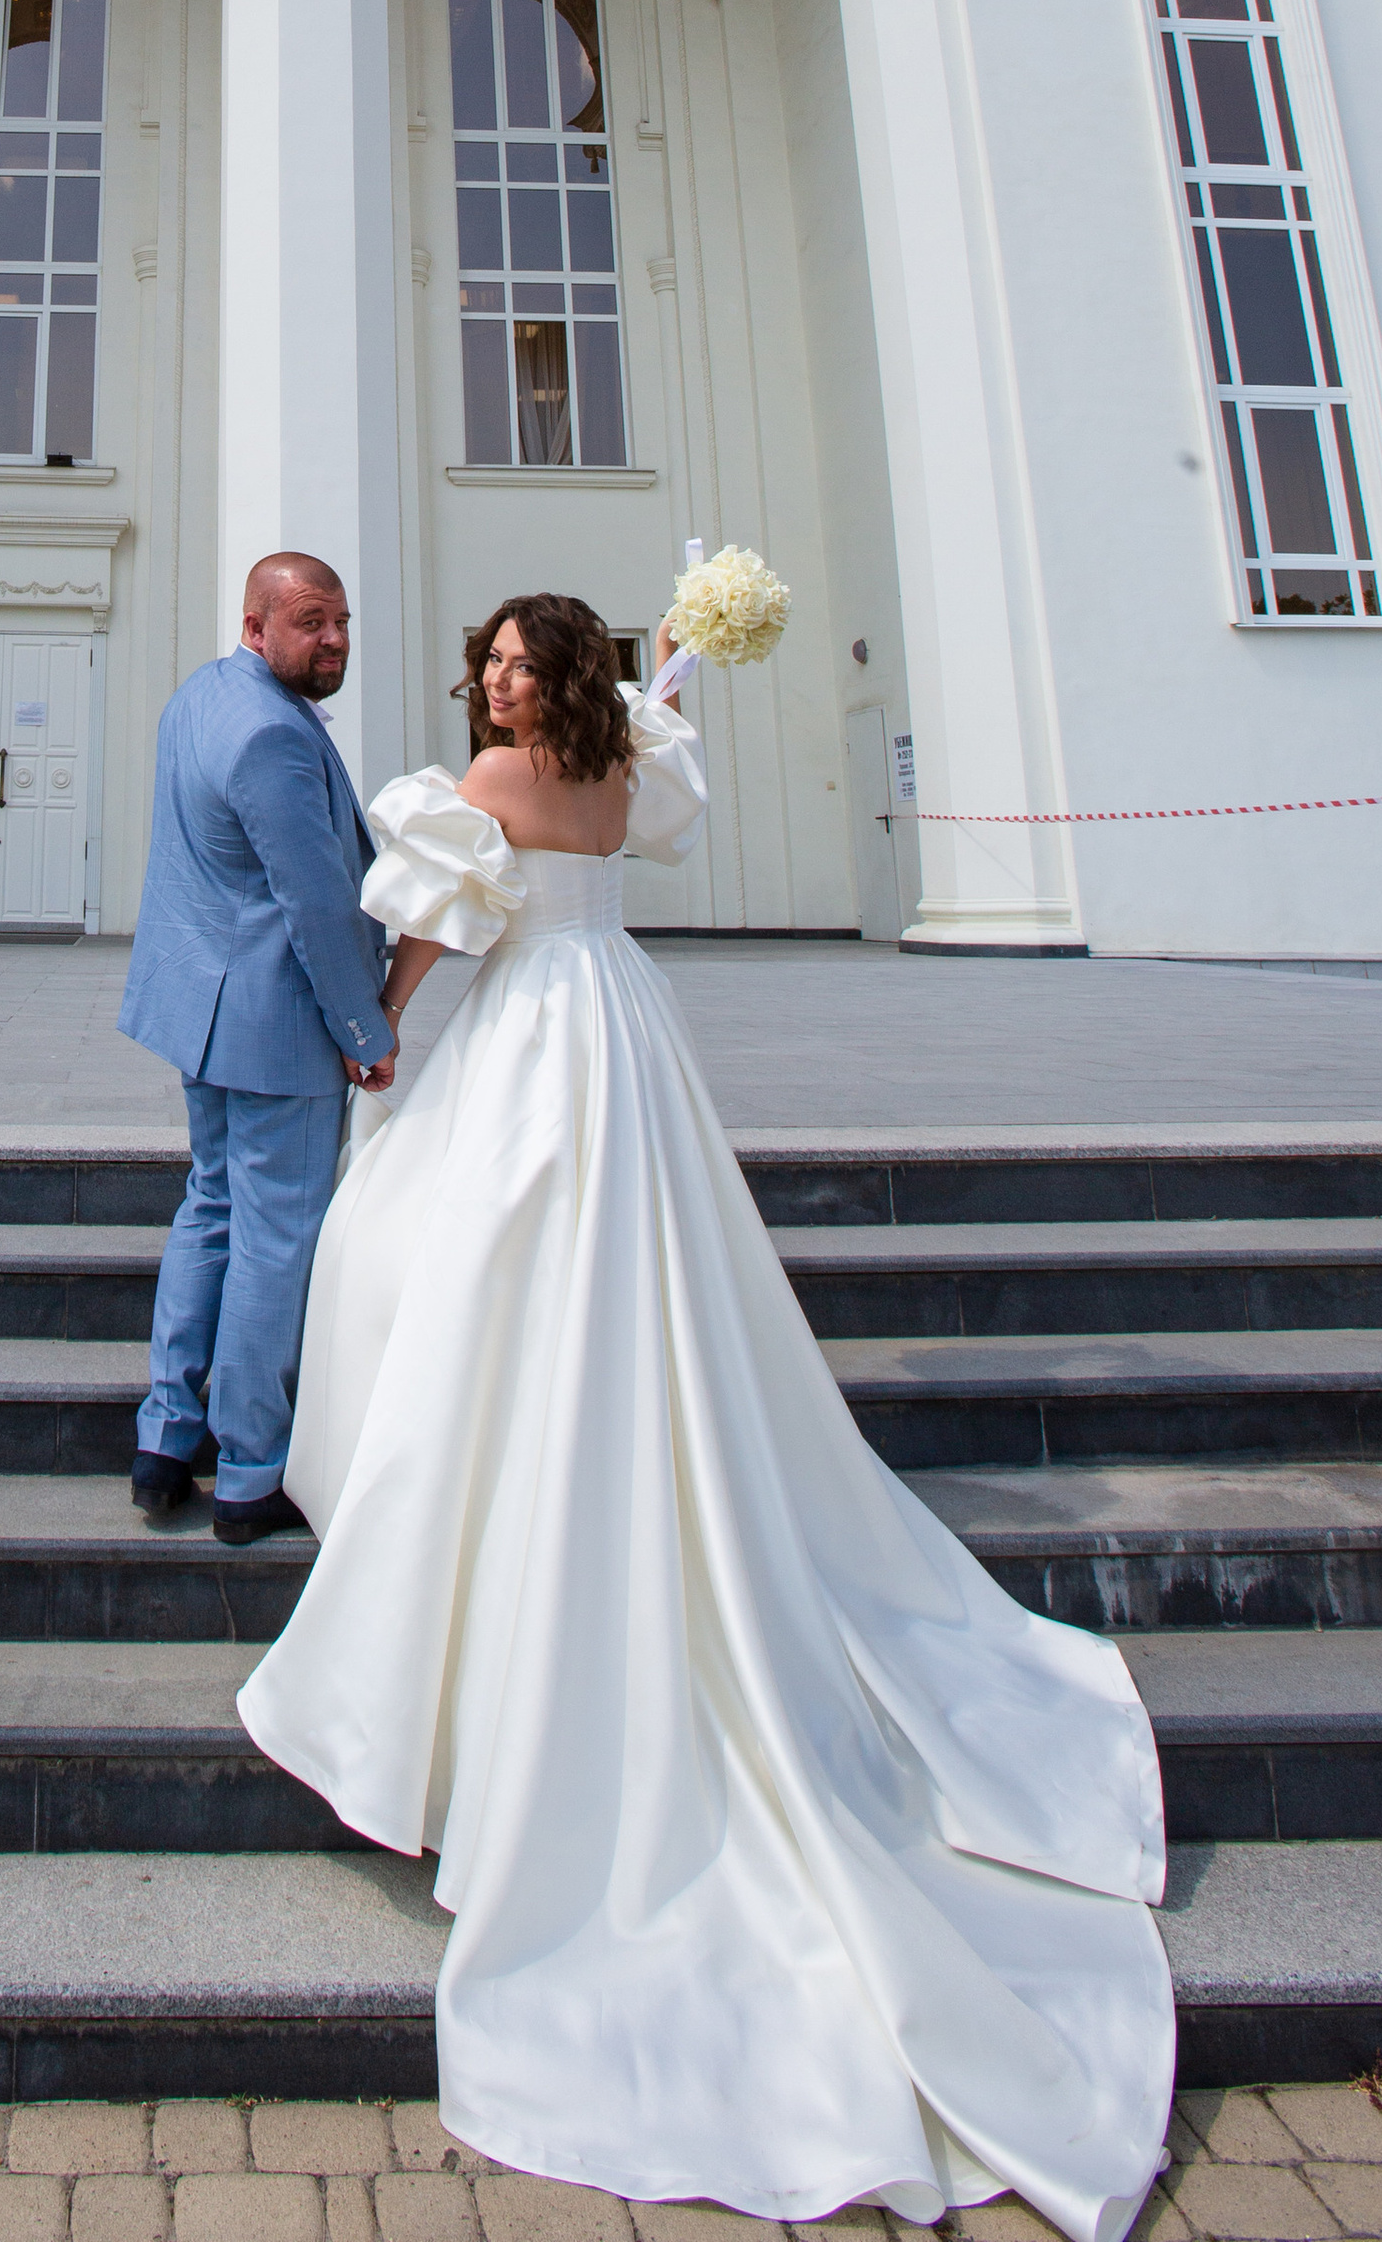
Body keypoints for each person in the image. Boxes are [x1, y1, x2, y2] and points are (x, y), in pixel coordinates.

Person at [237, 593, 1172, 2242]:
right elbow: (649, 781)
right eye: (491, 662)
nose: (496, 680)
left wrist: (375, 1027)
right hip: (626, 1027)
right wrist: (660, 667)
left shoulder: (494, 781)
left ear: (552, 680)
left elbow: (441, 925)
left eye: (517, 663)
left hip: (536, 1037)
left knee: (428, 1253)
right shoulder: (619, 768)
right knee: (634, 1265)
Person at [117, 552, 396, 1547]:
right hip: (272, 1021)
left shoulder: (200, 697)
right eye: (311, 622)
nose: (335, 641)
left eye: (342, 621)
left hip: (199, 1008)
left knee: (212, 1207)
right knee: (276, 1236)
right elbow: (317, 905)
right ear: (256, 625)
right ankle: (247, 1471)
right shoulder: (272, 734)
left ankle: (165, 1438)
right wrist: (365, 1029)